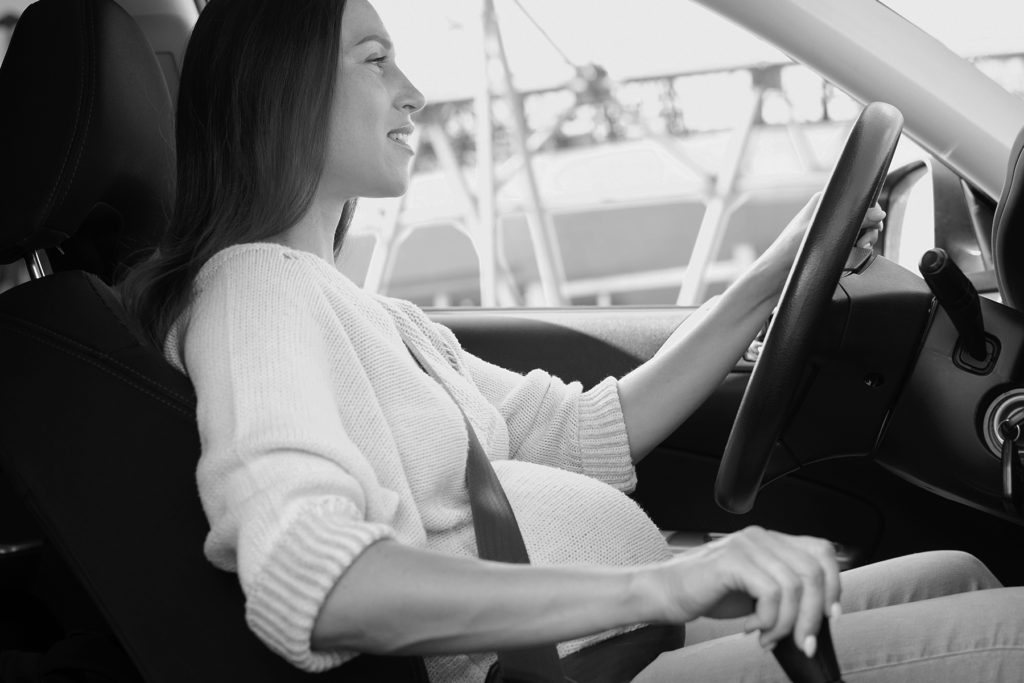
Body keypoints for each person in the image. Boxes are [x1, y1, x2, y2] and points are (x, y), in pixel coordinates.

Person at [118, 0, 1024, 681]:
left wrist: (774, 277)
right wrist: (662, 584)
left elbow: (579, 435)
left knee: (957, 575)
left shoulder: (371, 316)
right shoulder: (256, 291)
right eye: (375, 59)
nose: (415, 91)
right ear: (282, 90)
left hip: (625, 643)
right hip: (575, 664)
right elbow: (310, 580)